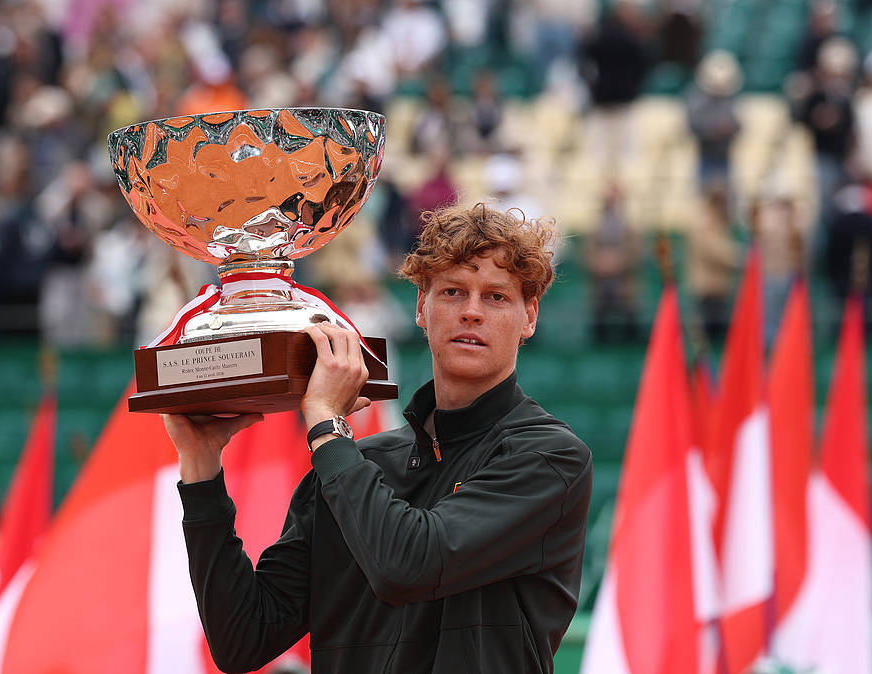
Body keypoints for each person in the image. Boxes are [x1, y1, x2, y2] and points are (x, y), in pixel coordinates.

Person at [164, 204, 593, 673]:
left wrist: (327, 424)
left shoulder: (550, 456)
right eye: (452, 291)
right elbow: (243, 639)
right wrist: (201, 468)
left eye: (495, 297)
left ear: (529, 316)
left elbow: (407, 566)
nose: (471, 311)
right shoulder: (355, 463)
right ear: (421, 308)